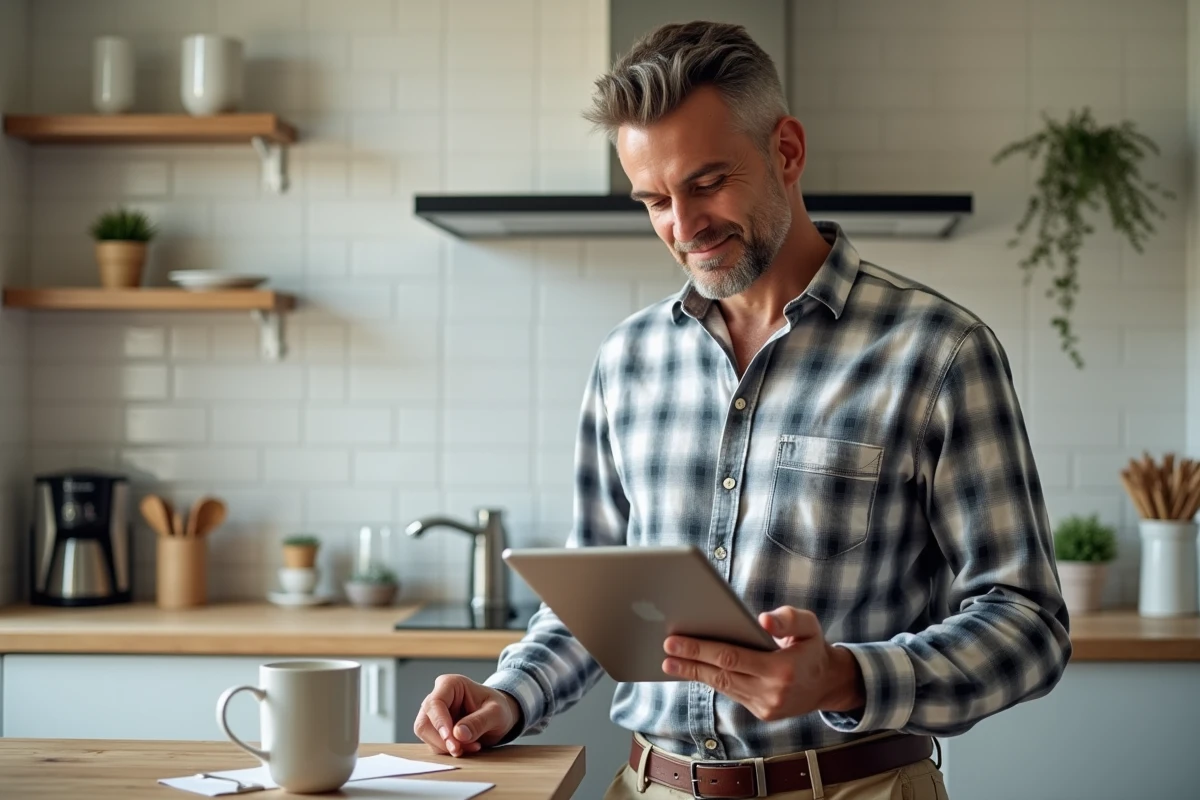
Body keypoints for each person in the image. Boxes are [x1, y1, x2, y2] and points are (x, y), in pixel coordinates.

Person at [413, 20, 1071, 800]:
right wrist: (511, 695)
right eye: (654, 200)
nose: (683, 228)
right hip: (649, 787)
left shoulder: (938, 351)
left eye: (706, 183)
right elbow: (598, 606)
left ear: (786, 151)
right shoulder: (628, 363)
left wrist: (844, 678)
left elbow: (1027, 624)